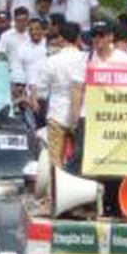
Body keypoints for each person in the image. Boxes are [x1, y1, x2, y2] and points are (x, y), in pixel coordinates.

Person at [40, 22, 87, 170]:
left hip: (56, 111)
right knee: (80, 156)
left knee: (55, 159)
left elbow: (42, 89)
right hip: (81, 112)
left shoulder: (52, 60)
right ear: (78, 38)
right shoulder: (85, 58)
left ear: (61, 38)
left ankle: (55, 189)